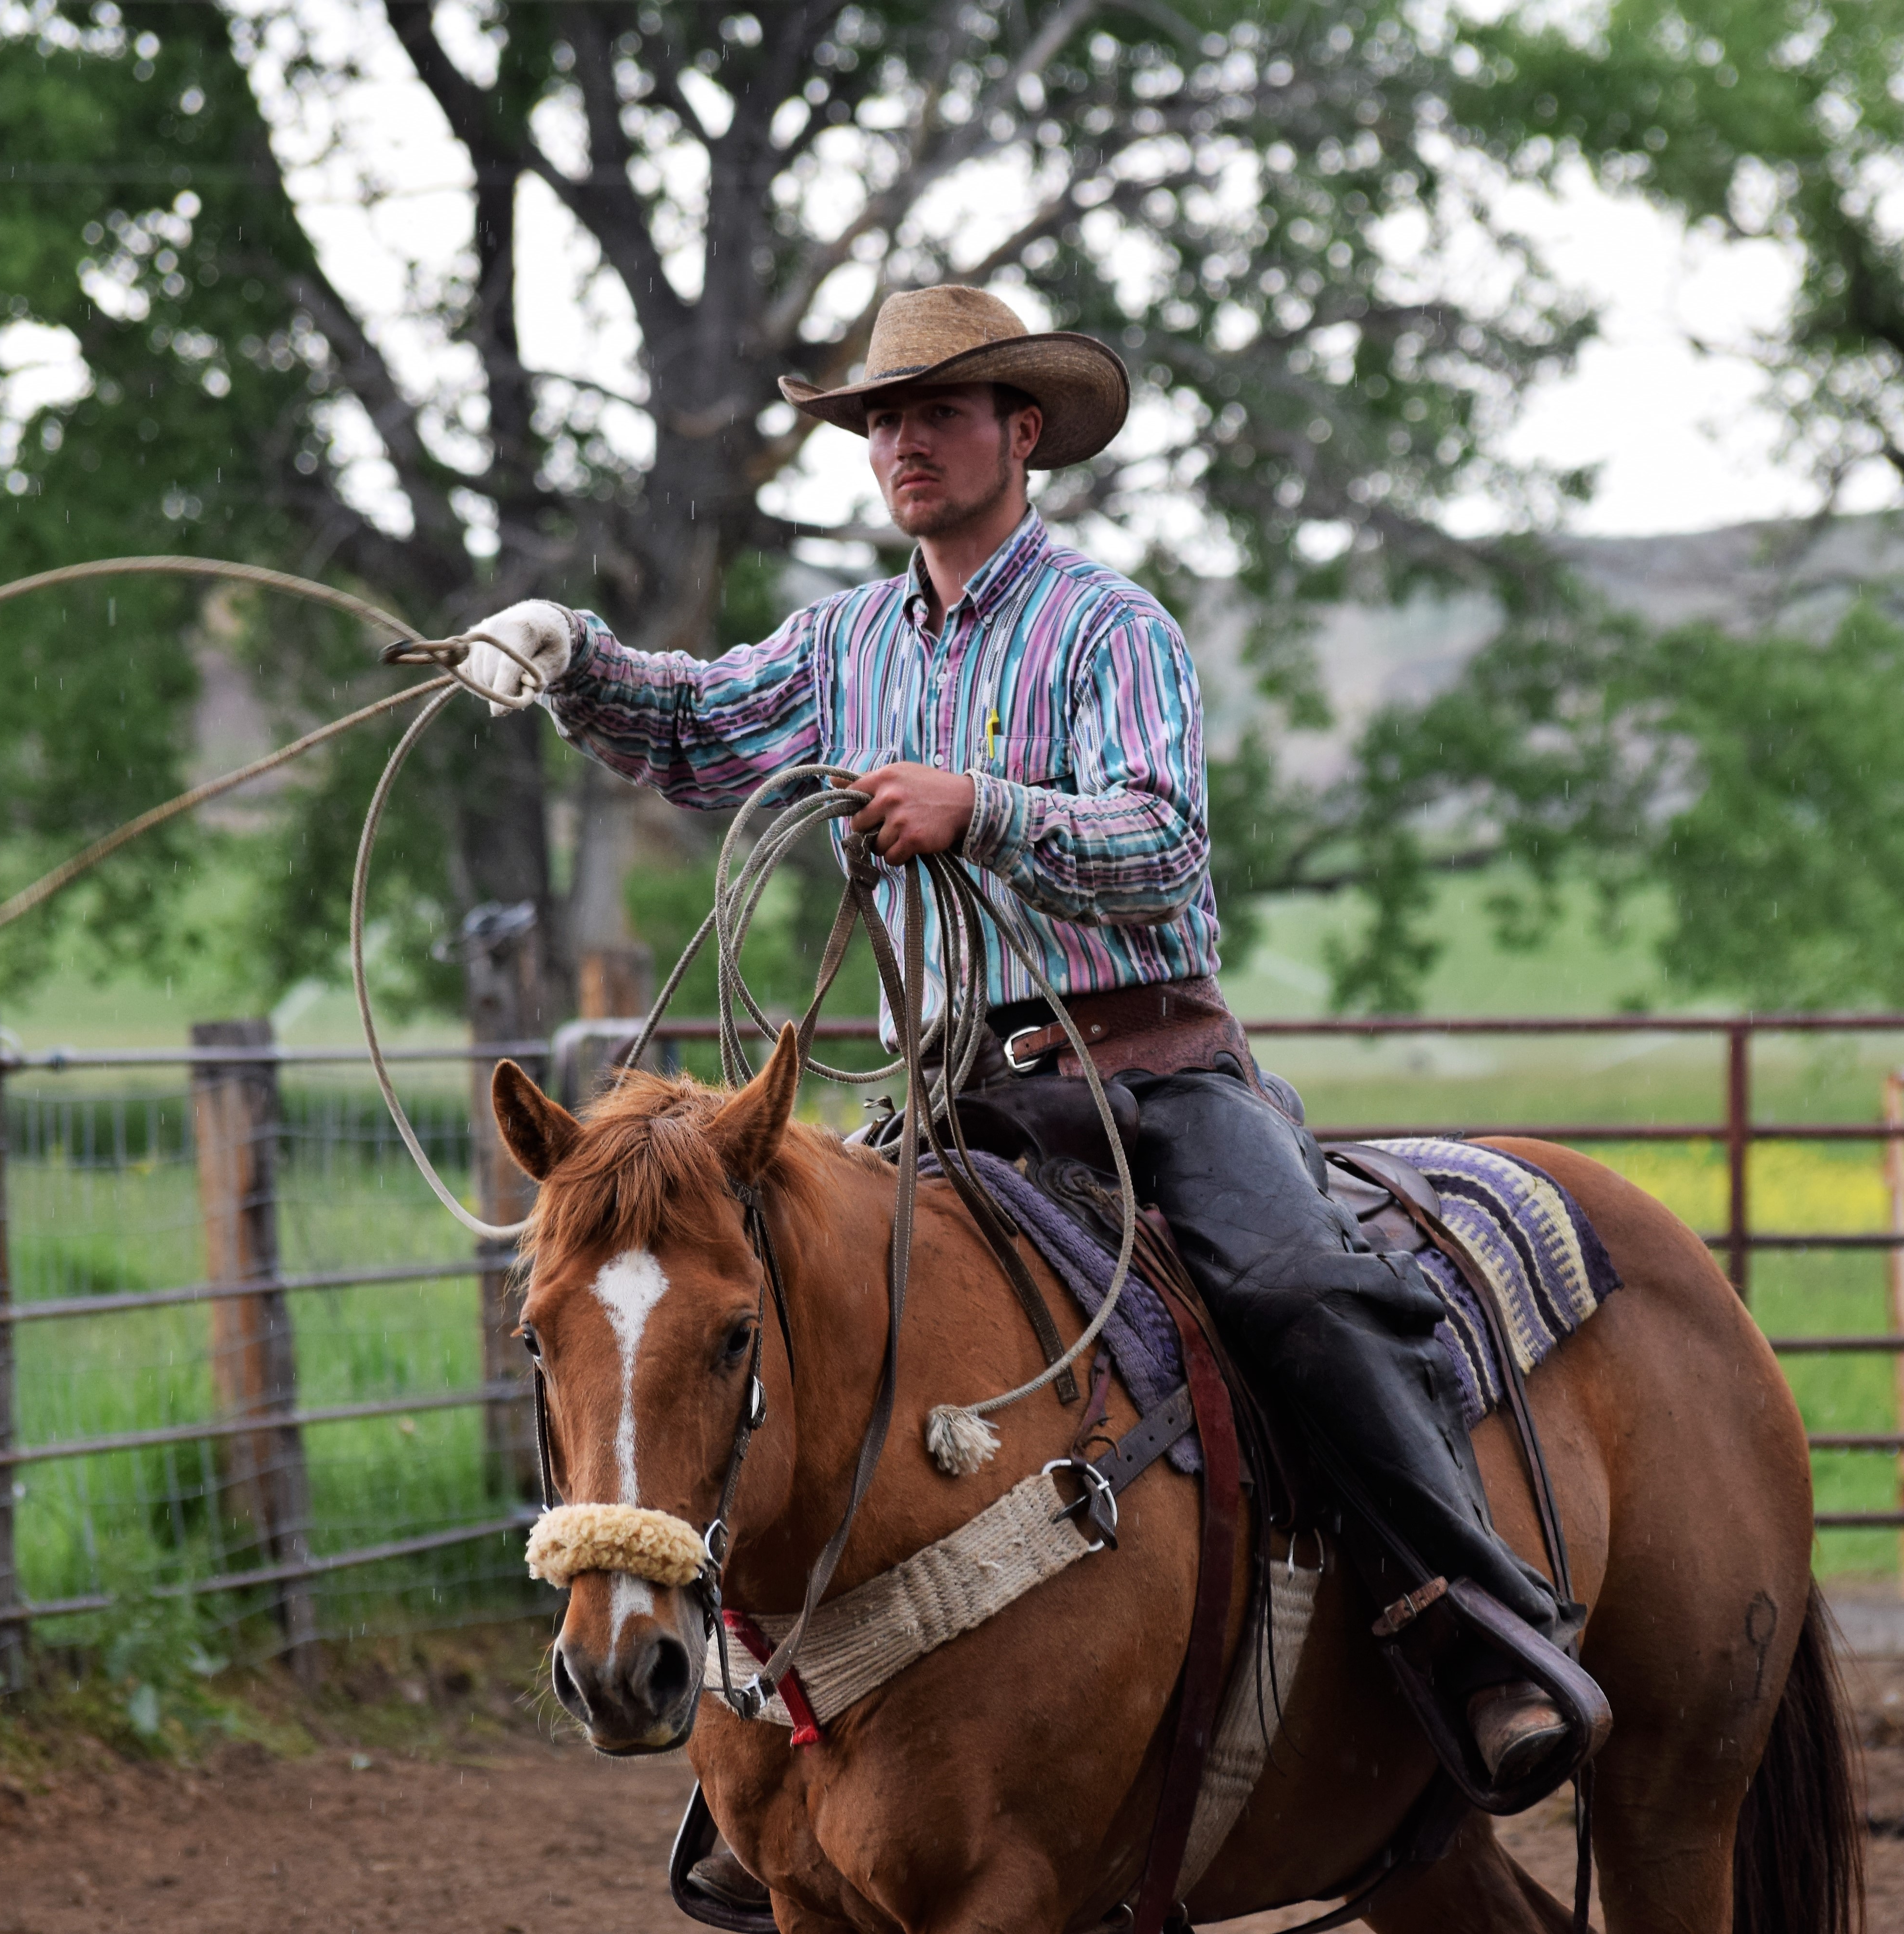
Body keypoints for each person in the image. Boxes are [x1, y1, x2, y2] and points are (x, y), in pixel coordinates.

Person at [456, 287, 1599, 1896]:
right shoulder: (846, 643)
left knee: (1302, 1291)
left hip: (1148, 1076)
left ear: (1023, 432)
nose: (902, 445)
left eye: (939, 413)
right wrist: (572, 657)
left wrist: (980, 807)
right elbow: (703, 729)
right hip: (944, 1098)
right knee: (778, 1317)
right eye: (882, 421)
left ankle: (1465, 1623)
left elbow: (1164, 844)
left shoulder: (1109, 629)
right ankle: (776, 1753)